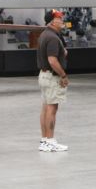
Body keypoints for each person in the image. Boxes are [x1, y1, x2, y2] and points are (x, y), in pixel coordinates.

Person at [37, 9, 69, 152]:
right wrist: (63, 75)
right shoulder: (53, 38)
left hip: (44, 75)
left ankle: (45, 140)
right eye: (59, 18)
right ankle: (50, 141)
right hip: (52, 77)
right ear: (52, 21)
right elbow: (52, 60)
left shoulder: (45, 34)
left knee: (46, 107)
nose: (62, 21)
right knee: (52, 108)